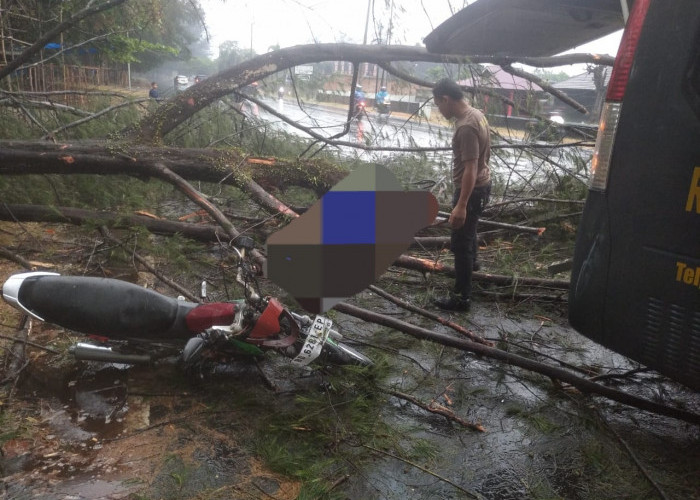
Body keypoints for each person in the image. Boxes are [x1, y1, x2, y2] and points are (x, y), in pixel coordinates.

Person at [432, 78, 491, 312]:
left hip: (472, 190)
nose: (439, 110)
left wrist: (461, 205)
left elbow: (471, 167)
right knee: (469, 234)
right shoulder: (477, 114)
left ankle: (461, 298)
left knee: (460, 243)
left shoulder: (466, 125)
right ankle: (473, 266)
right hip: (482, 186)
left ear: (446, 99)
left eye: (438, 105)